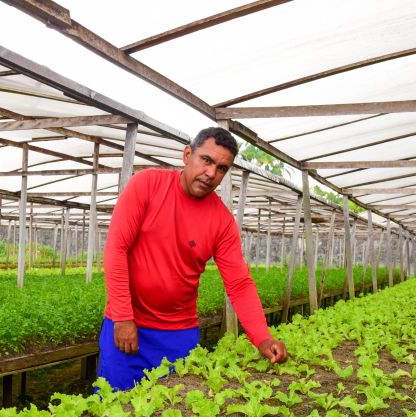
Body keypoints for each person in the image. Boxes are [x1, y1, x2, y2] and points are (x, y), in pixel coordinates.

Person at [99, 127, 288, 391]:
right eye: (207, 160)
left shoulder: (222, 221)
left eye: (222, 168)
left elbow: (239, 284)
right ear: (187, 155)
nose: (212, 173)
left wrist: (263, 338)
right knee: (111, 414)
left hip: (179, 334)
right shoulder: (147, 185)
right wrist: (122, 316)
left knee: (175, 413)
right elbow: (116, 249)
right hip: (128, 329)